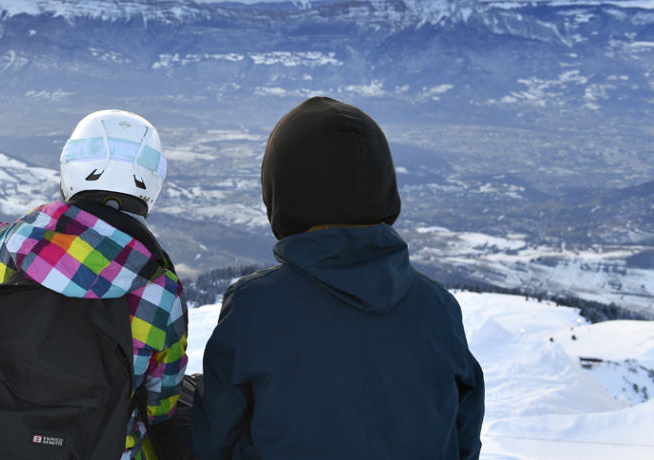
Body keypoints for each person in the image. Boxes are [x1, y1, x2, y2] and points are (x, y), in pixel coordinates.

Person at [190, 96, 485, 460]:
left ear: (280, 189)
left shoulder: (254, 307)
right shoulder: (439, 309)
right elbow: (465, 439)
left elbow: (212, 442)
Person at [0, 110, 188, 460]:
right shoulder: (161, 291)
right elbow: (160, 404)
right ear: (152, 182)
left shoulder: (21, 249)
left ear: (71, 167)